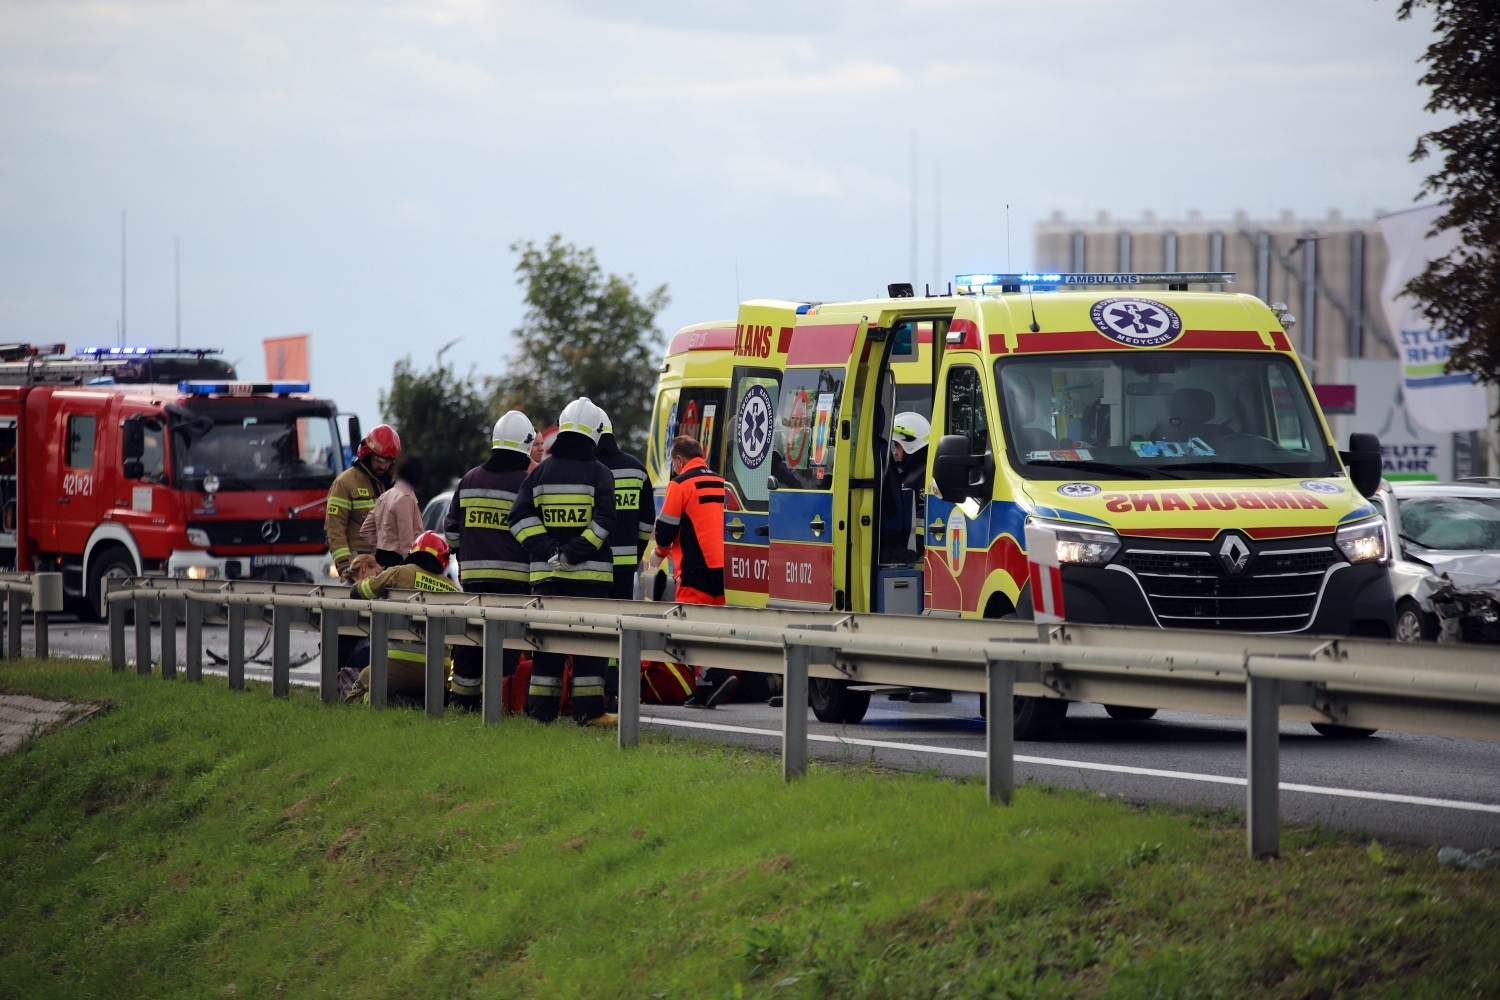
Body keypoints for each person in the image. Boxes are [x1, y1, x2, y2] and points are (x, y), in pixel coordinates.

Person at [508, 397, 617, 724]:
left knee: (547, 651)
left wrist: (549, 551)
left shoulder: (539, 473)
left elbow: (518, 519)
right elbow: (603, 522)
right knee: (591, 649)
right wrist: (572, 553)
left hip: (547, 580)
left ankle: (541, 716)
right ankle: (589, 714)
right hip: (591, 582)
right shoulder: (601, 474)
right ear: (595, 434)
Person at [443, 411, 537, 708]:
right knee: (506, 649)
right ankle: (498, 704)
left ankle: (463, 703)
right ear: (525, 446)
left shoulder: (469, 480)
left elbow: (452, 533)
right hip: (515, 587)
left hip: (473, 584)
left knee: (470, 645)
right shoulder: (528, 483)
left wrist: (467, 554)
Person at [645, 435, 732, 707]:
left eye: (674, 463)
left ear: (679, 460)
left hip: (695, 568)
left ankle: (711, 677)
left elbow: (666, 529)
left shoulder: (680, 484)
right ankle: (712, 682)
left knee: (689, 628)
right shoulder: (721, 482)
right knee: (715, 627)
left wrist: (657, 556)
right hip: (724, 569)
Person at [342, 531, 459, 706]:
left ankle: (394, 703)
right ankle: (418, 702)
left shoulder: (399, 573)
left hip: (395, 665)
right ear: (443, 560)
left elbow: (358, 592)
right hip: (437, 672)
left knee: (355, 695)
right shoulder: (453, 590)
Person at [326, 424, 399, 580]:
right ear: (367, 454)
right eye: (379, 459)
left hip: (388, 567)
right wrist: (346, 566)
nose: (383, 466)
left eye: (388, 461)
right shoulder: (345, 483)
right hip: (359, 569)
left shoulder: (393, 485)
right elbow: (335, 528)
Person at [594, 410, 653, 600]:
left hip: (591, 565)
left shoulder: (586, 469)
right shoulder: (636, 468)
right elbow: (646, 522)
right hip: (626, 566)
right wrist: (637, 553)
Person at [361, 454, 425, 569]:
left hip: (382, 560)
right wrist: (413, 568)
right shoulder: (405, 498)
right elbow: (407, 542)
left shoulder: (385, 496)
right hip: (400, 563)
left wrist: (380, 547)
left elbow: (365, 530)